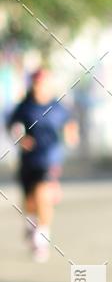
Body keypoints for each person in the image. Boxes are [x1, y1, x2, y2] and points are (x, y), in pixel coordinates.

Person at [7, 69, 78, 261]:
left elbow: (70, 123)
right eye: (36, 84)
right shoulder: (24, 106)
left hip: (49, 159)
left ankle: (42, 237)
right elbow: (12, 126)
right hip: (28, 160)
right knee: (30, 200)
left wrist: (71, 135)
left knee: (43, 194)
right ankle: (31, 226)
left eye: (43, 83)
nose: (40, 87)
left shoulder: (58, 107)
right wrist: (20, 138)